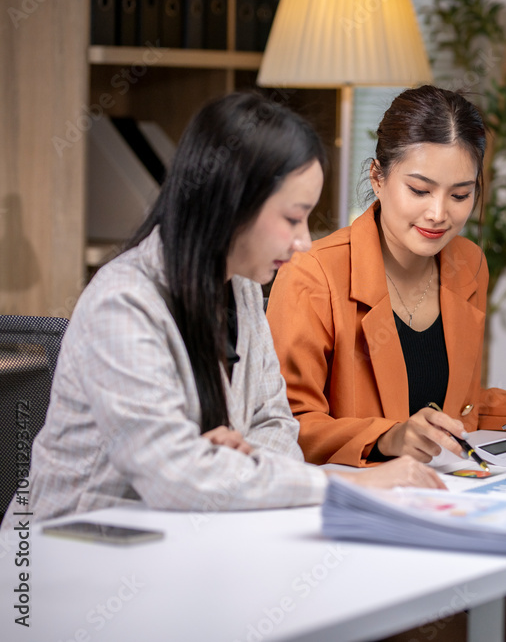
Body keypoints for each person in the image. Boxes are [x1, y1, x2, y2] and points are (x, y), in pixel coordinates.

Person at [1, 92, 442, 532]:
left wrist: (226, 466)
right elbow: (173, 478)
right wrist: (347, 487)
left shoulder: (242, 286)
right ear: (231, 204)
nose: (304, 241)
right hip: (72, 554)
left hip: (190, 536)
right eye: (292, 218)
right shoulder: (123, 303)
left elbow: (276, 426)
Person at [266, 85, 506, 469]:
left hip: (443, 486)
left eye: (460, 196)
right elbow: (287, 424)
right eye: (420, 190)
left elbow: (454, 405)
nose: (438, 214)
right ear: (378, 177)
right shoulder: (312, 273)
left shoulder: (468, 263)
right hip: (357, 496)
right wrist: (387, 437)